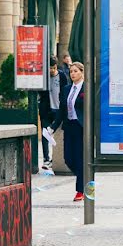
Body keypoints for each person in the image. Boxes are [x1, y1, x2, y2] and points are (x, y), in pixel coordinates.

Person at [49, 61, 86, 202]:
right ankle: (84, 176)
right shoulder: (66, 89)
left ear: (82, 72)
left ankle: (80, 190)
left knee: (80, 158)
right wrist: (53, 126)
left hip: (82, 127)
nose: (73, 74)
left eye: (76, 71)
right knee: (68, 159)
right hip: (69, 126)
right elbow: (61, 111)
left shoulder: (87, 88)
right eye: (71, 71)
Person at [38, 57, 62, 167]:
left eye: (54, 67)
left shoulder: (62, 76)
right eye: (49, 68)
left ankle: (57, 159)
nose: (52, 70)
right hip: (46, 110)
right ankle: (46, 159)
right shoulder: (43, 78)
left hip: (58, 110)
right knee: (45, 134)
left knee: (57, 134)